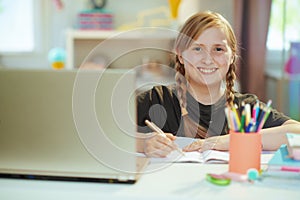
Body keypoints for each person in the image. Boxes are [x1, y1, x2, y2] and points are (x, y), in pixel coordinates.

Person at [135, 11, 300, 158]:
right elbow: (109, 133)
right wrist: (143, 143)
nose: (208, 59)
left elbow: (297, 133)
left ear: (232, 56)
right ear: (179, 54)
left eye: (218, 49)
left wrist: (228, 141)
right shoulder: (157, 99)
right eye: (197, 49)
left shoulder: (246, 108)